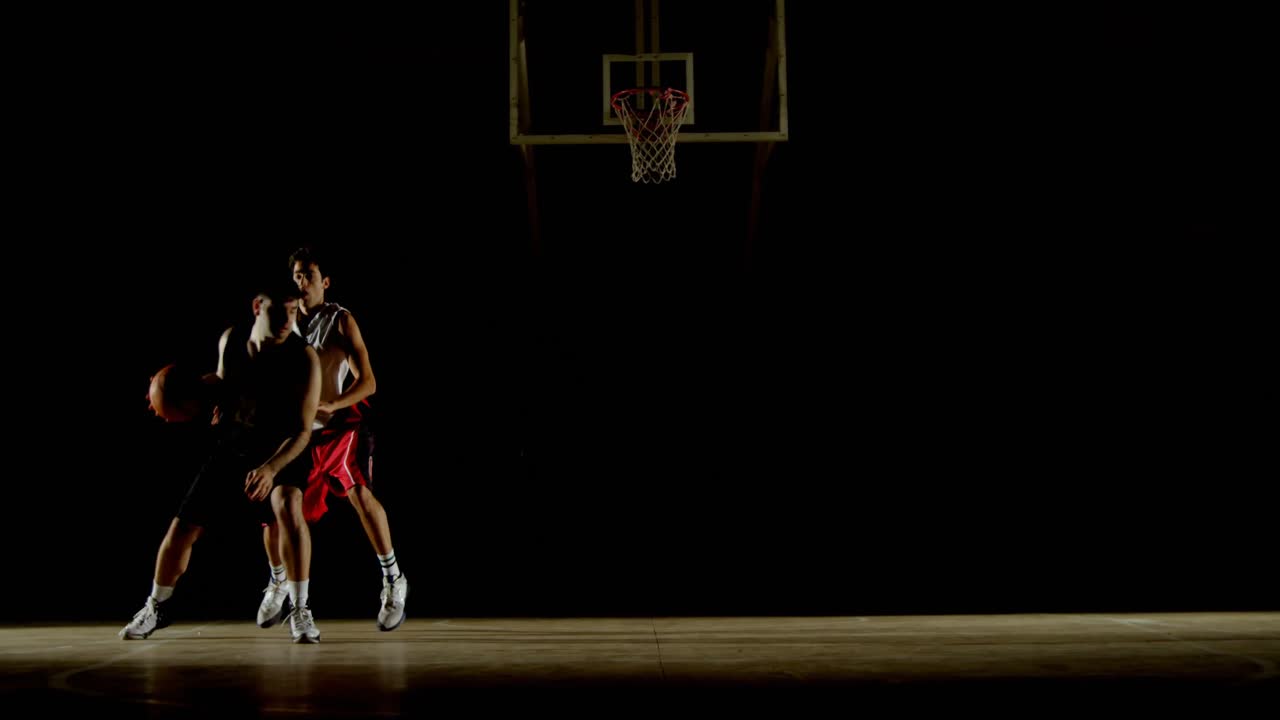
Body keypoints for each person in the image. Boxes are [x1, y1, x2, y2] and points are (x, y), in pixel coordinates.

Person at [121, 281, 324, 643]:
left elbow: (303, 431)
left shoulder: (303, 357)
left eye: (293, 312)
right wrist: (169, 393)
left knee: (288, 503)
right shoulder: (231, 340)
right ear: (257, 307)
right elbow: (225, 382)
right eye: (278, 311)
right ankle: (156, 606)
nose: (286, 320)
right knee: (181, 529)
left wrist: (270, 469)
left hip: (282, 447)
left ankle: (300, 608)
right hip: (236, 443)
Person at [256, 247, 408, 632]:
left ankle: (393, 579)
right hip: (297, 432)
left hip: (339, 427)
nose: (301, 282)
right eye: (296, 275)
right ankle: (278, 581)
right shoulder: (283, 321)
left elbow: (369, 382)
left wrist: (333, 403)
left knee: (360, 494)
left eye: (308, 275)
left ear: (324, 281)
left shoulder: (340, 320)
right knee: (275, 512)